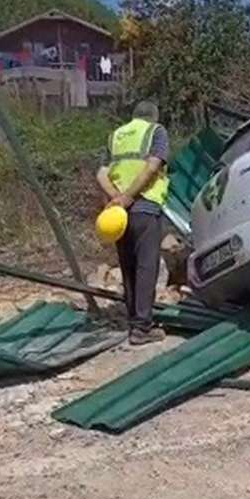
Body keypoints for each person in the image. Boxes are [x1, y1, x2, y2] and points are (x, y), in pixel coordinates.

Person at [97, 100, 170, 345]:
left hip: (118, 214)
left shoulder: (115, 136)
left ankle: (133, 321)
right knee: (146, 266)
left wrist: (116, 199)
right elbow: (152, 167)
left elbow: (100, 173)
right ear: (153, 116)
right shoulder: (155, 131)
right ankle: (142, 328)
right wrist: (128, 197)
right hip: (145, 206)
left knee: (127, 266)